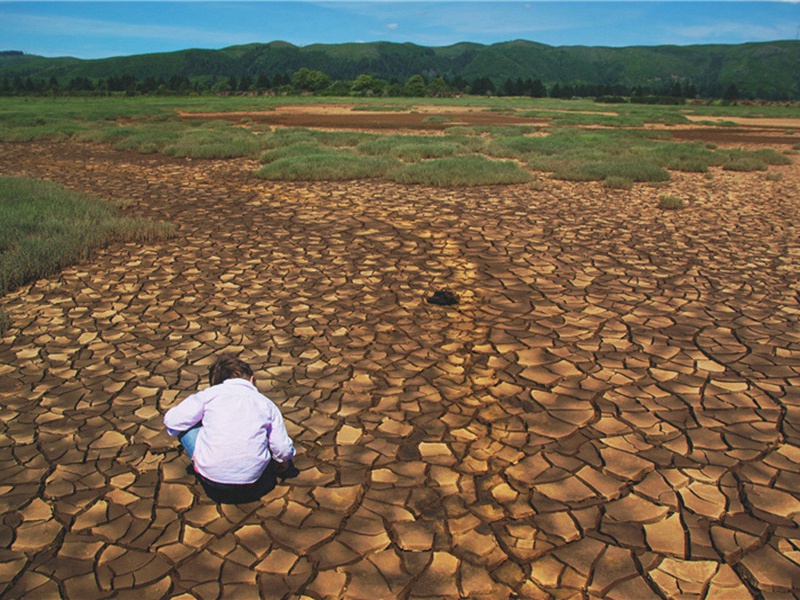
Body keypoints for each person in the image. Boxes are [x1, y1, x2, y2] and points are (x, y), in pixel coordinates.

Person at [164, 354, 296, 503]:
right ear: (251, 379)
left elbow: (172, 420)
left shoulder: (209, 395)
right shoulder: (266, 404)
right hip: (253, 481)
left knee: (187, 424)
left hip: (212, 482)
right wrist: (281, 461)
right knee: (264, 431)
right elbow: (283, 448)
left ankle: (205, 464)